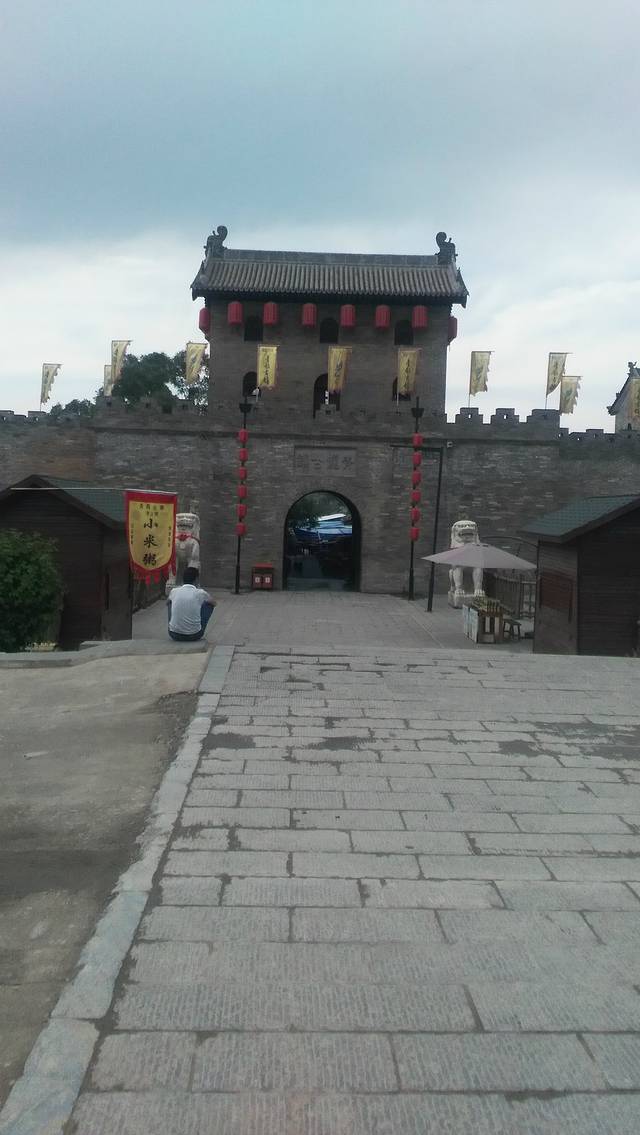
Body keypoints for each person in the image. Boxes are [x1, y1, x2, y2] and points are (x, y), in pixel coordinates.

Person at [167, 567, 215, 642]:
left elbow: (167, 602)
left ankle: (173, 626)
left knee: (170, 602)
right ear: (196, 579)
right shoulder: (200, 593)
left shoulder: (174, 591)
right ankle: (198, 627)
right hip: (195, 635)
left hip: (174, 634)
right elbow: (214, 603)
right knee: (208, 604)